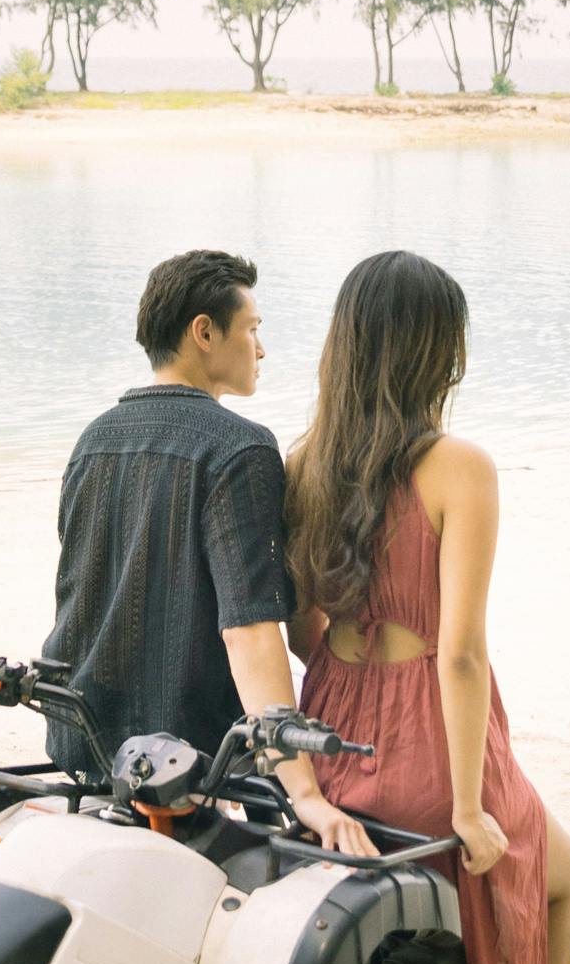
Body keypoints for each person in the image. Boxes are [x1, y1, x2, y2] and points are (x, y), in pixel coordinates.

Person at [288, 248, 570, 964]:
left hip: (335, 736)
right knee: (553, 876)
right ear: (438, 353)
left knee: (526, 866)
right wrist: (467, 806)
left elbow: (301, 636)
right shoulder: (458, 468)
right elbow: (459, 652)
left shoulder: (304, 464)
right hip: (430, 744)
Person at [40, 248, 351, 843]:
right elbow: (251, 630)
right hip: (181, 751)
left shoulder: (94, 438)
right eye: (253, 329)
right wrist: (304, 792)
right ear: (204, 332)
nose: (261, 349)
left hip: (81, 734)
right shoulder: (241, 450)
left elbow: (80, 589)